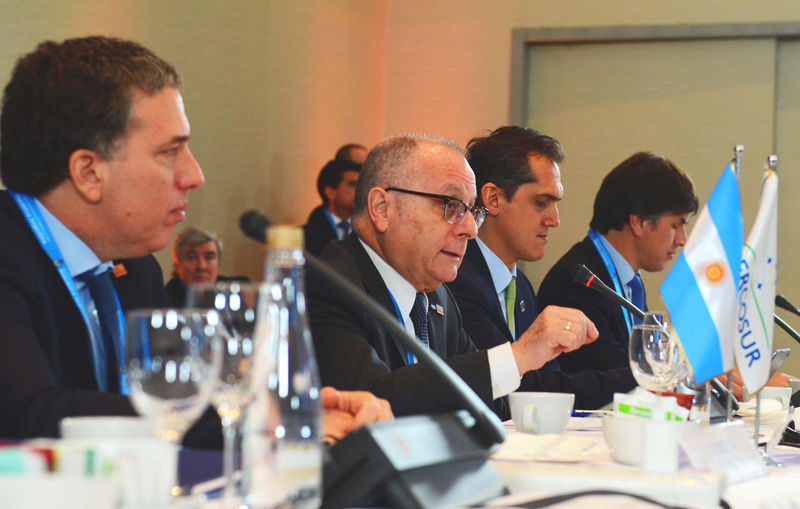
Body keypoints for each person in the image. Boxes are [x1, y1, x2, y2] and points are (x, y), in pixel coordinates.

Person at [0, 35, 391, 444]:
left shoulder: (134, 269)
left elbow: (187, 397)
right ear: (88, 173)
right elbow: (31, 415)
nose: (194, 176)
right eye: (170, 152)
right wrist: (263, 421)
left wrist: (299, 407)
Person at [306, 134, 598, 418]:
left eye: (472, 211)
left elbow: (482, 401)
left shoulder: (436, 295)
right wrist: (519, 354)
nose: (471, 229)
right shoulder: (326, 287)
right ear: (383, 209)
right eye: (451, 205)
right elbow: (375, 405)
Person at [447, 126, 635, 409]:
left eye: (555, 203)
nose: (554, 219)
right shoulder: (455, 279)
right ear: (493, 199)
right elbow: (521, 390)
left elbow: (548, 377)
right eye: (541, 202)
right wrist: (641, 380)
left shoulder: (520, 286)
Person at [537, 152, 698, 373]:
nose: (682, 240)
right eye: (676, 225)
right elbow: (609, 376)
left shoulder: (629, 280)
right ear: (638, 222)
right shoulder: (577, 283)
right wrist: (685, 372)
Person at [165, 225, 251, 307]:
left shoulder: (232, 293)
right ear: (176, 266)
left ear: (218, 264)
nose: (202, 267)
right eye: (191, 258)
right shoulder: (164, 302)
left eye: (209, 257)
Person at [304, 159, 361, 257]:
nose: (360, 190)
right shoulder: (305, 236)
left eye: (361, 185)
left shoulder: (367, 232)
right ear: (330, 192)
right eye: (352, 185)